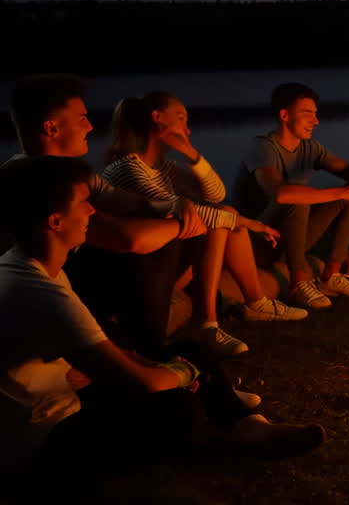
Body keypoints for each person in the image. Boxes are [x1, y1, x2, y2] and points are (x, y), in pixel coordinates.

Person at [0, 156, 323, 495]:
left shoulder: (28, 264)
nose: (92, 211)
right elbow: (143, 382)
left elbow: (105, 357)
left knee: (189, 350)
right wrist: (184, 374)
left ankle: (249, 428)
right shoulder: (40, 291)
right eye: (84, 203)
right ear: (55, 222)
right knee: (174, 407)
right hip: (41, 439)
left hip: (61, 398)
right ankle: (212, 437)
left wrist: (162, 367)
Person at [7, 74, 206, 358]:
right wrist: (181, 224)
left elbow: (128, 200)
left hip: (82, 283)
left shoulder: (74, 173)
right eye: (81, 118)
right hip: (46, 299)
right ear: (51, 128)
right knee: (158, 238)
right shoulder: (33, 182)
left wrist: (175, 203)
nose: (90, 126)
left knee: (161, 228)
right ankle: (149, 350)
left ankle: (144, 337)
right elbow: (126, 239)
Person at [102, 92, 306, 357]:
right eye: (181, 118)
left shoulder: (164, 168)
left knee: (224, 213)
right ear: (157, 118)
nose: (187, 128)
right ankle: (206, 323)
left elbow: (215, 195)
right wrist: (249, 223)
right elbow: (179, 210)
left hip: (167, 264)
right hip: (146, 274)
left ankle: (256, 302)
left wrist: (192, 154)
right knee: (220, 221)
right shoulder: (127, 168)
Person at [234, 83, 349, 309]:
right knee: (297, 199)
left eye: (316, 113)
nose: (316, 121)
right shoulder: (262, 148)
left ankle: (331, 276)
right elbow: (279, 193)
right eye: (307, 113)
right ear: (285, 115)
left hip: (291, 237)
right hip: (257, 243)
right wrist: (342, 191)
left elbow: (346, 169)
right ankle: (298, 283)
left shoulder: (310, 147)